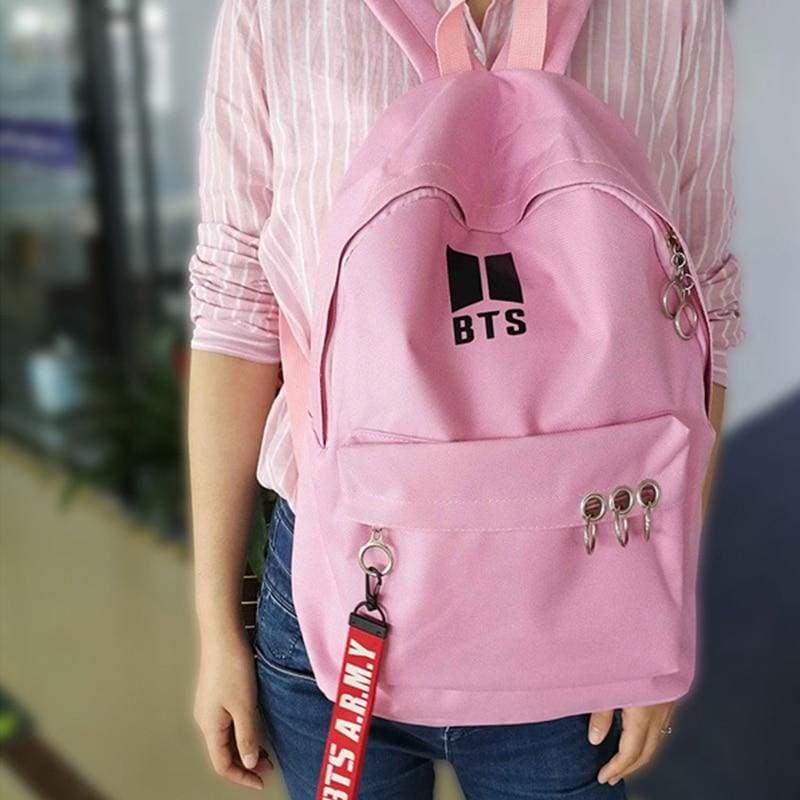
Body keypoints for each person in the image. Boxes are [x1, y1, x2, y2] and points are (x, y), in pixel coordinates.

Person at [187, 1, 743, 797]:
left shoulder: (671, 12)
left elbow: (700, 316)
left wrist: (662, 614)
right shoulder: (283, 11)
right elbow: (238, 306)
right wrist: (217, 631)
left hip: (585, 593)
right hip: (337, 609)